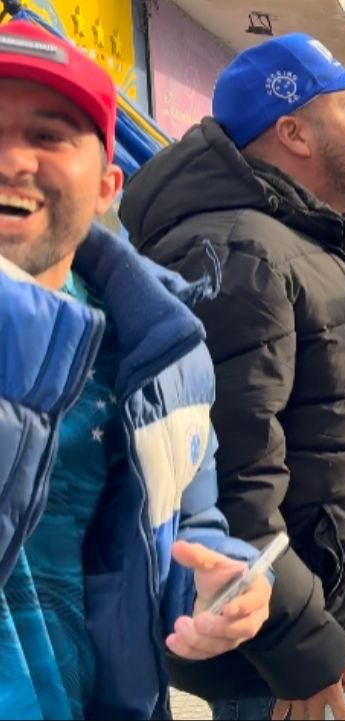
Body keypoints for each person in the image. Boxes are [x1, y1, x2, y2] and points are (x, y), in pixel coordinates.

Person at [119, 33, 345, 721]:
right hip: (291, 661)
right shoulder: (243, 252)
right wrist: (298, 644)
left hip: (335, 635)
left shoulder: (299, 242)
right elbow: (225, 478)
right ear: (293, 132)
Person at [0, 20, 271, 719]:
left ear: (107, 185)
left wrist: (220, 585)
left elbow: (187, 518)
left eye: (49, 134)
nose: (11, 159)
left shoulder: (163, 347)